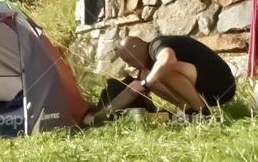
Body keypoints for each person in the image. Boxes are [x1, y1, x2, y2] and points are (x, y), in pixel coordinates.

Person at [87, 35, 236, 123]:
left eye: (129, 60)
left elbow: (168, 60)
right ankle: (189, 112)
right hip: (205, 90)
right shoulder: (145, 70)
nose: (129, 65)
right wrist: (98, 116)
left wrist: (145, 83)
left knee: (161, 71)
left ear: (135, 49)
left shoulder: (156, 45)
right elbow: (131, 92)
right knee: (150, 77)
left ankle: (203, 114)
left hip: (221, 84)